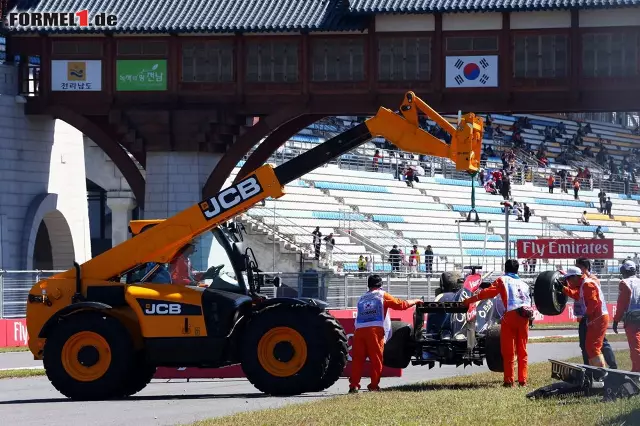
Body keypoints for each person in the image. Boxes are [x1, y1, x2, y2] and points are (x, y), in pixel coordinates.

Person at [463, 259, 532, 387]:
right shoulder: (524, 283)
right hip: (525, 317)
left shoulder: (502, 280)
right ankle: (523, 381)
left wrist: (470, 300)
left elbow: (488, 293)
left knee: (508, 351)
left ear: (505, 269)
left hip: (510, 316)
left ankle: (509, 381)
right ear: (517, 270)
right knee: (522, 350)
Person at [349, 275, 423, 393]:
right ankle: (373, 386)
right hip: (374, 331)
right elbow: (401, 305)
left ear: (368, 285)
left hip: (359, 331)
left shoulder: (362, 298)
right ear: (381, 285)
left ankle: (354, 385)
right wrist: (415, 301)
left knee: (358, 360)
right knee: (376, 359)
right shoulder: (382, 295)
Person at [558, 266, 609, 367]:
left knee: (593, 347)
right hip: (595, 318)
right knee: (589, 347)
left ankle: (601, 374)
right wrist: (564, 289)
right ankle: (595, 372)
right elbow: (577, 295)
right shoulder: (583, 284)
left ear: (575, 277)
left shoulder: (587, 284)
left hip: (598, 318)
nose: (568, 281)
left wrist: (587, 314)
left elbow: (593, 302)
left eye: (569, 279)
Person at [574, 258, 617, 368]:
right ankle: (589, 367)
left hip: (593, 315)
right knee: (585, 344)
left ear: (584, 267)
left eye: (577, 266)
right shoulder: (579, 279)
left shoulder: (591, 280)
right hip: (585, 315)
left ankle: (611, 367)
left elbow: (593, 299)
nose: (575, 269)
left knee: (600, 344)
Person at [613, 260, 640, 371]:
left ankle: (637, 372)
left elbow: (621, 304)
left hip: (632, 318)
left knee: (635, 346)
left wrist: (616, 320)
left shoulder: (624, 283)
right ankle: (635, 369)